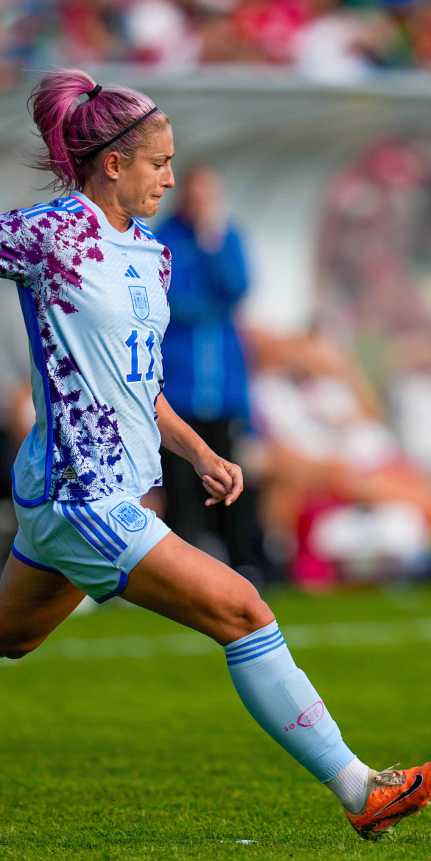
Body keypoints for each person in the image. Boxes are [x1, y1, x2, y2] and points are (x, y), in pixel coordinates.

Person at [0, 70, 431, 840]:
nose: (170, 177)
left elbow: (138, 386)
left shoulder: (153, 256)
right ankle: (359, 788)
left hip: (76, 493)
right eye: (159, 163)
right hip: (86, 494)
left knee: (0, 631)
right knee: (246, 613)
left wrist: (195, 450)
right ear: (113, 163)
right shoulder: (53, 233)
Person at [157, 165, 265, 579]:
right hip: (180, 390)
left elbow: (237, 287)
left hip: (223, 388)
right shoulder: (165, 239)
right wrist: (211, 304)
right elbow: (172, 301)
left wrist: (213, 245)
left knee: (233, 481)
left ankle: (243, 565)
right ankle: (181, 574)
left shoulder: (226, 237)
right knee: (182, 489)